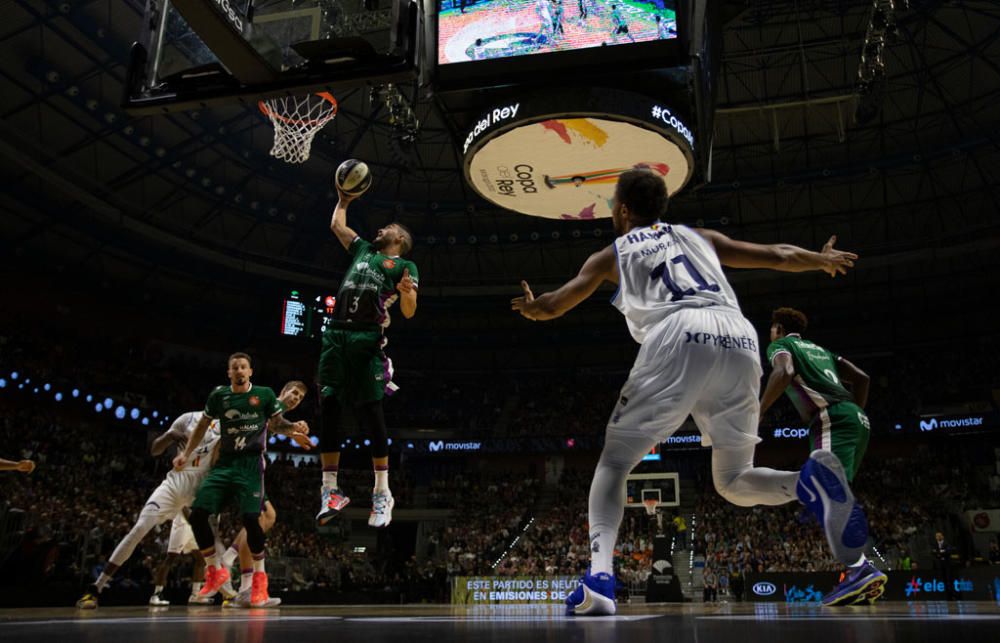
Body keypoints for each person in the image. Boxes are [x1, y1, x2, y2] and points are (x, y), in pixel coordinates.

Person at [511, 167, 860, 616]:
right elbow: (777, 254)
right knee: (733, 481)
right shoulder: (701, 236)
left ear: (621, 210)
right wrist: (820, 259)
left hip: (677, 333)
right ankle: (807, 482)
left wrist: (534, 308)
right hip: (739, 337)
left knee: (616, 460)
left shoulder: (611, 254)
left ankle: (599, 580)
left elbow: (555, 305)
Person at [759, 307, 886, 605]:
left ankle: (859, 568)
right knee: (824, 490)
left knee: (826, 486)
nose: (770, 334)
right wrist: (853, 410)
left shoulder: (781, 345)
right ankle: (855, 573)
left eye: (771, 329)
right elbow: (862, 378)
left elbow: (784, 372)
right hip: (856, 419)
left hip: (830, 417)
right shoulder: (820, 350)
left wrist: (759, 411)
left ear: (777, 327)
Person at [315, 188, 418, 530]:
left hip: (366, 338)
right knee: (328, 407)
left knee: (370, 413)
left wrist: (406, 295)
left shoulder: (404, 265)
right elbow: (336, 226)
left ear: (399, 237)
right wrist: (343, 201)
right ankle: (330, 491)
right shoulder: (363, 249)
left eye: (386, 227)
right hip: (336, 335)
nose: (379, 230)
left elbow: (409, 311)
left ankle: (382, 492)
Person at [173, 356, 308, 608]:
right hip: (227, 463)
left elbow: (274, 425)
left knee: (259, 519)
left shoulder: (266, 400)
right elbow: (275, 424)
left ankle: (248, 585)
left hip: (249, 466)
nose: (294, 398)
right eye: (293, 393)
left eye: (299, 397)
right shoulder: (266, 399)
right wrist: (295, 430)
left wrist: (294, 431)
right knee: (262, 518)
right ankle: (231, 564)